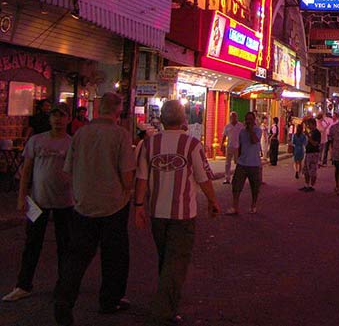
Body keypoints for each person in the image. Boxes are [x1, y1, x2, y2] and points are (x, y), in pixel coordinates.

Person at [133, 100, 220, 326]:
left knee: (166, 258)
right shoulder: (192, 144)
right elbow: (203, 178)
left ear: (161, 120)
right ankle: (163, 312)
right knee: (176, 262)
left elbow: (142, 178)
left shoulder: (149, 144)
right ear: (183, 120)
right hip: (183, 216)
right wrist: (213, 201)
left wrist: (139, 206)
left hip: (157, 213)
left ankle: (167, 303)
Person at [53, 93, 136, 326]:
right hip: (113, 205)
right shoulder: (120, 135)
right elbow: (127, 177)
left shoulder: (81, 134)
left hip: (83, 204)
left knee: (76, 256)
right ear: (118, 111)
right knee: (114, 256)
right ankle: (110, 300)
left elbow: (67, 169)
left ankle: (63, 299)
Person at [4, 104, 73, 303]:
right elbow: (26, 170)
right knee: (32, 243)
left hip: (65, 201)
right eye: (54, 116)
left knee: (65, 245)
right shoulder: (36, 141)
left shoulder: (72, 143)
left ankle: (64, 285)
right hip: (38, 200)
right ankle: (23, 284)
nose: (58, 120)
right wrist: (21, 197)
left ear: (68, 119)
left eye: (62, 116)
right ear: (49, 119)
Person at [227, 112, 263, 215]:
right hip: (242, 163)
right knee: (236, 185)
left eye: (250, 119)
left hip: (254, 163)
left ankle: (253, 205)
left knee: (255, 187)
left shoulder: (258, 130)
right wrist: (238, 158)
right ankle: (235, 207)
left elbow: (254, 141)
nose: (248, 121)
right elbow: (241, 145)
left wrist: (251, 130)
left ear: (254, 120)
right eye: (247, 119)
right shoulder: (242, 132)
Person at [221, 112, 243, 185]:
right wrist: (222, 145)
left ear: (236, 117)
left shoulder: (240, 126)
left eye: (234, 117)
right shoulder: (227, 126)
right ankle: (227, 178)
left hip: (238, 146)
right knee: (227, 163)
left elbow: (243, 136)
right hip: (230, 146)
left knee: (238, 163)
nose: (232, 118)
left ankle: (238, 178)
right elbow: (224, 136)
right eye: (231, 117)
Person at [301, 119, 321, 192]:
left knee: (312, 170)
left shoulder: (316, 133)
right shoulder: (311, 132)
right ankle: (307, 185)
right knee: (306, 170)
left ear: (313, 124)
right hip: (308, 152)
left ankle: (312, 186)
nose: (308, 126)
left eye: (309, 124)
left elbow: (315, 143)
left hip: (314, 153)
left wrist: (308, 136)